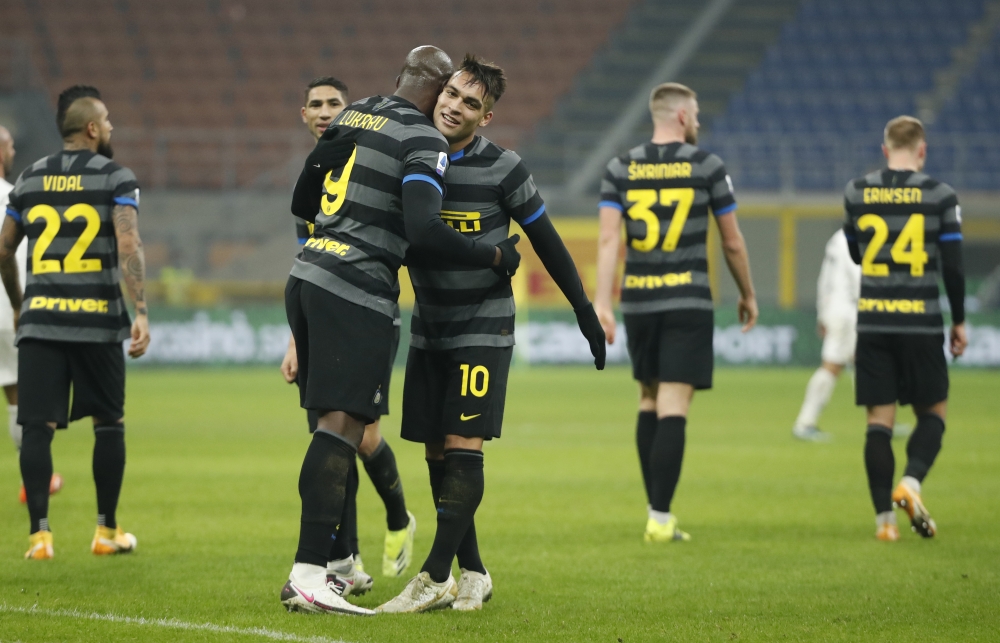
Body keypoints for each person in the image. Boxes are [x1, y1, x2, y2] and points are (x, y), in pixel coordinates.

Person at [279, 46, 522, 616]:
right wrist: (492, 256)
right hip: (356, 287)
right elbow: (423, 227)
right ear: (438, 89)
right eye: (450, 91)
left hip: (308, 273)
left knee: (328, 424)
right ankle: (311, 571)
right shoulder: (423, 137)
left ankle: (332, 568)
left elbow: (301, 199)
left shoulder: (355, 112)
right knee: (341, 426)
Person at [377, 54, 606, 614]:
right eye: (451, 93)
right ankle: (473, 572)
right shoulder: (411, 155)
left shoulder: (504, 168)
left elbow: (547, 241)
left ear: (488, 117)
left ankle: (433, 577)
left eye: (470, 103)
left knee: (463, 446)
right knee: (435, 451)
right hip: (429, 325)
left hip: (483, 324)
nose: (454, 106)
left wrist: (584, 310)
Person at [594, 82, 758, 543]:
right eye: (697, 115)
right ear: (683, 116)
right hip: (687, 300)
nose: (699, 122)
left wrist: (603, 302)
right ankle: (661, 518)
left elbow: (609, 240)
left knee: (648, 399)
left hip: (640, 301)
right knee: (673, 405)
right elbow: (731, 241)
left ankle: (655, 512)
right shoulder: (707, 165)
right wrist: (748, 293)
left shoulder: (619, 167)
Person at [0, 86, 150, 560]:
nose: (110, 128)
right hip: (99, 322)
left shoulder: (28, 178)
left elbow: (4, 248)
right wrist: (140, 311)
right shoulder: (116, 177)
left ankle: (39, 536)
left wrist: (22, 305)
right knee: (109, 424)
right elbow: (128, 245)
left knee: (37, 426)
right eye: (106, 121)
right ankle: (106, 532)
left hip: (42, 323)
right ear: (90, 129)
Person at [279, 76, 414, 598]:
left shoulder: (370, 159)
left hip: (365, 304)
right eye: (315, 103)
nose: (325, 111)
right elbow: (307, 253)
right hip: (322, 303)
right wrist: (296, 340)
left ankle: (398, 518)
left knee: (357, 434)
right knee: (331, 433)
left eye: (335, 102)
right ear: (303, 114)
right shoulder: (314, 174)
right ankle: (342, 560)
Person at [843, 116, 967, 541]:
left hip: (874, 320)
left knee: (878, 422)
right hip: (921, 321)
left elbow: (856, 254)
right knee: (933, 413)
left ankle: (884, 524)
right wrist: (961, 320)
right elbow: (952, 266)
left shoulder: (856, 192)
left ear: (884, 150)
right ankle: (910, 483)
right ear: (922, 149)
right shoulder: (941, 195)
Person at [0, 126, 63, 502]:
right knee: (18, 395)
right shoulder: (13, 197)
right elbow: (13, 257)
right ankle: (36, 477)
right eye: (9, 146)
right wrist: (23, 305)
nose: (12, 151)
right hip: (7, 311)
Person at [792, 228, 861, 441]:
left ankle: (882, 420)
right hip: (848, 310)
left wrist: (823, 311)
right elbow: (857, 275)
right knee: (832, 366)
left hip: (837, 308)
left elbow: (825, 279)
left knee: (863, 361)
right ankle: (805, 423)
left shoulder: (838, 237)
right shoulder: (856, 236)